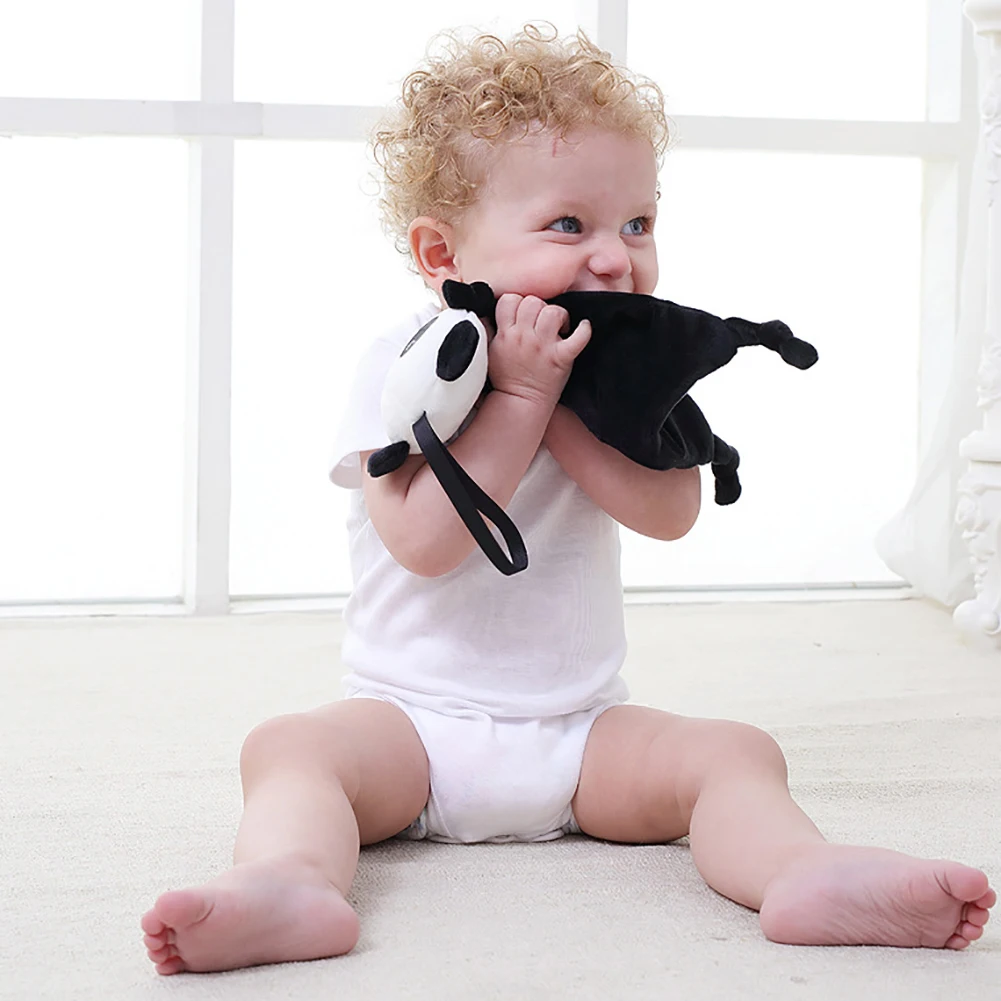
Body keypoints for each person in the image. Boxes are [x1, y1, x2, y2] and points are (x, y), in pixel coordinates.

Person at [141, 24, 995, 975]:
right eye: (567, 225)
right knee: (289, 749)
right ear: (441, 250)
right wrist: (516, 400)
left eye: (636, 224)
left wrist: (570, 407)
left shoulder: (624, 372)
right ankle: (290, 881)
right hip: (411, 729)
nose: (614, 260)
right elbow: (424, 542)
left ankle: (802, 870)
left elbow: (670, 512)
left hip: (583, 736)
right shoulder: (405, 365)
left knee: (734, 751)